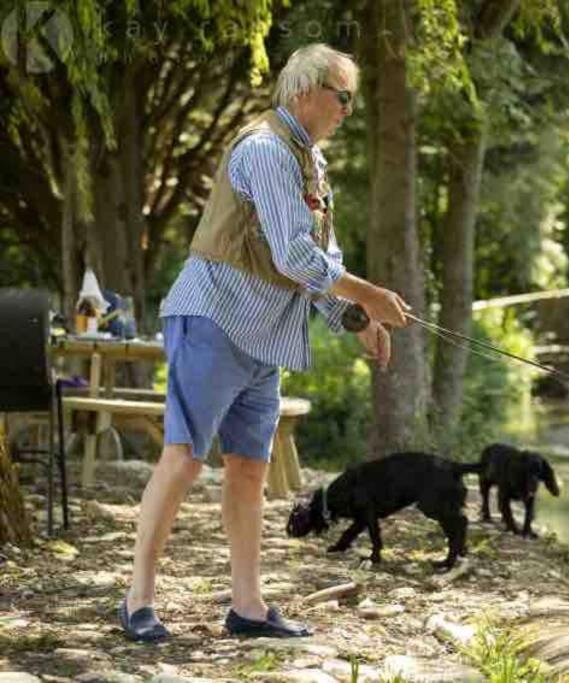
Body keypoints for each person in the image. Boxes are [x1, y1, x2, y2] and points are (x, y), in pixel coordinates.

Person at [119, 44, 409, 641]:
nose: (349, 109)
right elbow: (294, 255)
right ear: (304, 91)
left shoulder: (312, 165)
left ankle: (247, 608)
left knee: (250, 469)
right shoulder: (266, 152)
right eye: (342, 95)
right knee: (183, 458)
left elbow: (317, 263)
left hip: (264, 339)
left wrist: (358, 318)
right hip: (215, 321)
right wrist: (373, 294)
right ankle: (137, 600)